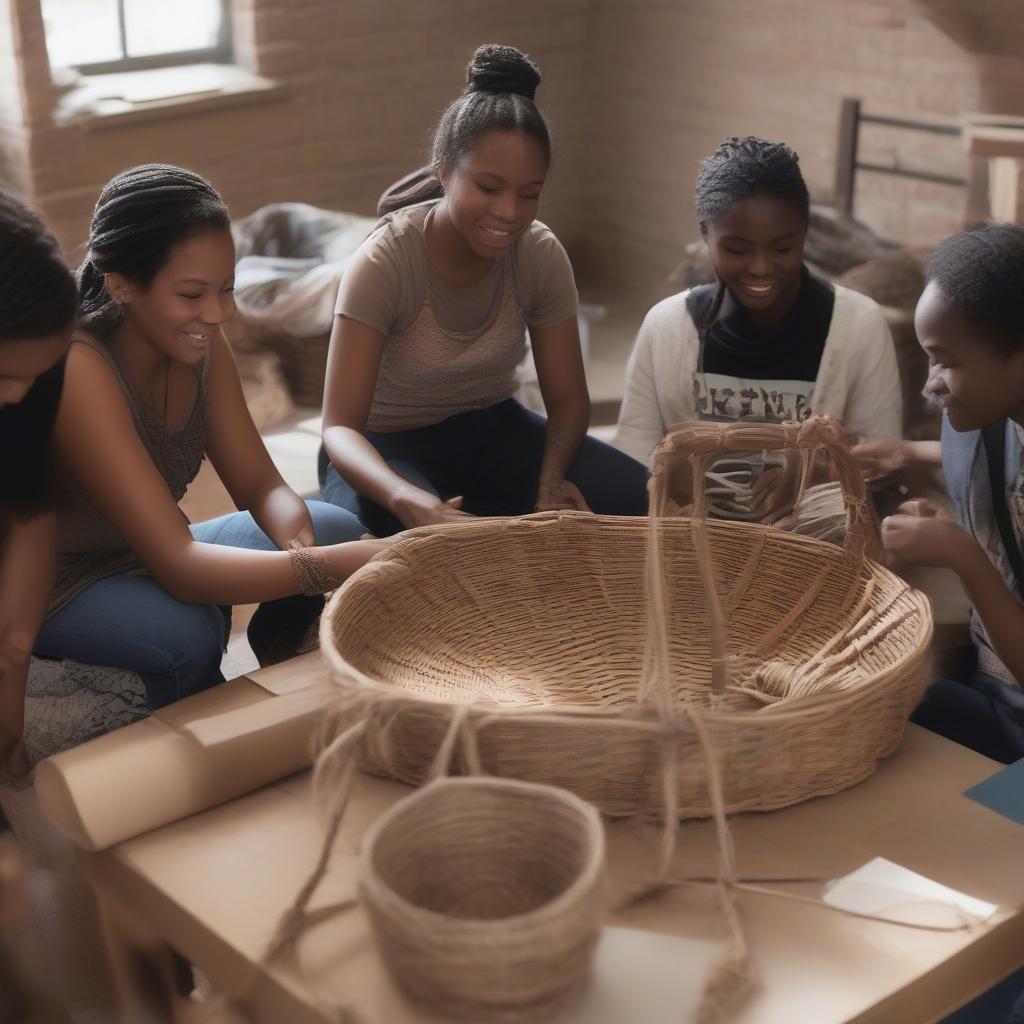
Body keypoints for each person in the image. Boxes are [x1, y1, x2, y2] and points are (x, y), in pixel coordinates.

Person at [33, 164, 384, 711]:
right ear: (122, 284)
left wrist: (304, 549)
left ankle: (284, 668)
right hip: (59, 581)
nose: (219, 313)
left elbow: (260, 483)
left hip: (147, 551)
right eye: (193, 294)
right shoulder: (82, 367)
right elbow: (179, 564)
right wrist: (336, 566)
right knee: (190, 629)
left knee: (333, 524)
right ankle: (182, 723)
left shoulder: (200, 342)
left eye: (226, 289)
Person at [319, 43, 649, 537]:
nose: (510, 212)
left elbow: (567, 401)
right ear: (445, 171)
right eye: (488, 187)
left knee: (639, 496)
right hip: (385, 448)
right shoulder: (387, 261)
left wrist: (551, 479)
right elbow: (339, 427)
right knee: (431, 549)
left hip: (494, 431)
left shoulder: (539, 254)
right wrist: (404, 496)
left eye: (529, 193)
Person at [614, 136, 902, 519]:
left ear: (804, 234)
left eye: (783, 248)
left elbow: (885, 472)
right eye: (737, 250)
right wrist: (666, 485)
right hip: (692, 550)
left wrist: (818, 472)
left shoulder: (858, 326)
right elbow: (632, 464)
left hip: (811, 556)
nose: (762, 268)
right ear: (705, 236)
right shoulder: (665, 328)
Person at [865, 223, 1024, 765]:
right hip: (992, 688)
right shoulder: (999, 419)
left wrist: (963, 554)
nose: (929, 383)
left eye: (946, 361)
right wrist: (909, 452)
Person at [0, 193, 78, 779]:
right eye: (5, 376)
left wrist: (16, 650)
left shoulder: (35, 370)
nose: (16, 397)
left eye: (33, 378)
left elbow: (30, 504)